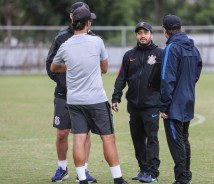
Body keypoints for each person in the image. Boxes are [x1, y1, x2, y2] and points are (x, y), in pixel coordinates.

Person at [50, 6, 128, 184]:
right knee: (108, 138)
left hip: (74, 100)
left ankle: (82, 178)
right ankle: (118, 178)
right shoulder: (96, 41)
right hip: (96, 100)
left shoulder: (65, 45)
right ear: (88, 23)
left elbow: (53, 67)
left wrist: (69, 67)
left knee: (79, 137)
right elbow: (105, 68)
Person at [46, 2, 96, 183]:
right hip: (64, 94)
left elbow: (97, 66)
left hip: (86, 95)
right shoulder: (61, 38)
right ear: (71, 16)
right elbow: (50, 66)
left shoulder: (93, 38)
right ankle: (62, 168)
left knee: (84, 134)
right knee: (62, 133)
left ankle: (84, 171)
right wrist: (67, 83)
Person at [111, 21, 163, 183]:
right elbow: (121, 78)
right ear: (136, 35)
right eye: (139, 33)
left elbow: (166, 79)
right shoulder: (129, 55)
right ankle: (143, 169)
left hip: (152, 105)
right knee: (137, 139)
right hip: (133, 106)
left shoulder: (160, 54)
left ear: (151, 35)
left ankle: (153, 173)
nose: (142, 36)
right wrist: (116, 97)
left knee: (152, 138)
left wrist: (164, 101)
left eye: (145, 33)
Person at [160, 15, 203, 184]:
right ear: (179, 28)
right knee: (184, 139)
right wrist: (187, 87)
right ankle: (186, 176)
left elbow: (166, 78)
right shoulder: (193, 48)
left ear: (165, 30)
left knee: (176, 141)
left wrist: (163, 105)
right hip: (188, 100)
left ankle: (182, 179)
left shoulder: (172, 48)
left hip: (173, 105)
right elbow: (197, 72)